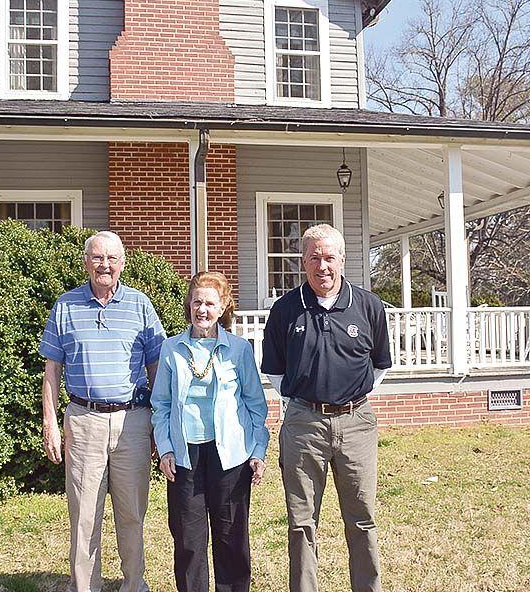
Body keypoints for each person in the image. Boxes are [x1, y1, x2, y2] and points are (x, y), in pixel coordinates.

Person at [261, 224, 392, 592]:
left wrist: (351, 397)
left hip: (356, 423)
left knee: (362, 518)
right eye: (314, 258)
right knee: (301, 521)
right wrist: (304, 403)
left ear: (342, 260)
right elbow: (274, 370)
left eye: (329, 257)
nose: (323, 266)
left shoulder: (368, 306)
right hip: (304, 425)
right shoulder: (285, 310)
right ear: (303, 262)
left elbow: (380, 365)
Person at [40, 230, 165, 592]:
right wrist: (50, 423)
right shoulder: (65, 305)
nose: (104, 265)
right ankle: (85, 587)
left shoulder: (140, 305)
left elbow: (156, 368)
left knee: (132, 513)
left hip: (133, 421)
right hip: (83, 421)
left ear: (122, 263)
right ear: (86, 263)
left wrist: (159, 423)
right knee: (83, 516)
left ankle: (134, 584)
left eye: (111, 258)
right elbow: (52, 369)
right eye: (97, 258)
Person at [151, 271, 270, 592]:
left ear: (223, 307)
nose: (202, 309)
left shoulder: (239, 349)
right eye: (196, 302)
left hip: (229, 455)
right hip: (184, 455)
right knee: (188, 540)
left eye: (210, 303)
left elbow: (256, 406)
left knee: (231, 537)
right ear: (188, 305)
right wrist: (165, 448)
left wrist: (258, 452)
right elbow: (161, 405)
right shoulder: (171, 349)